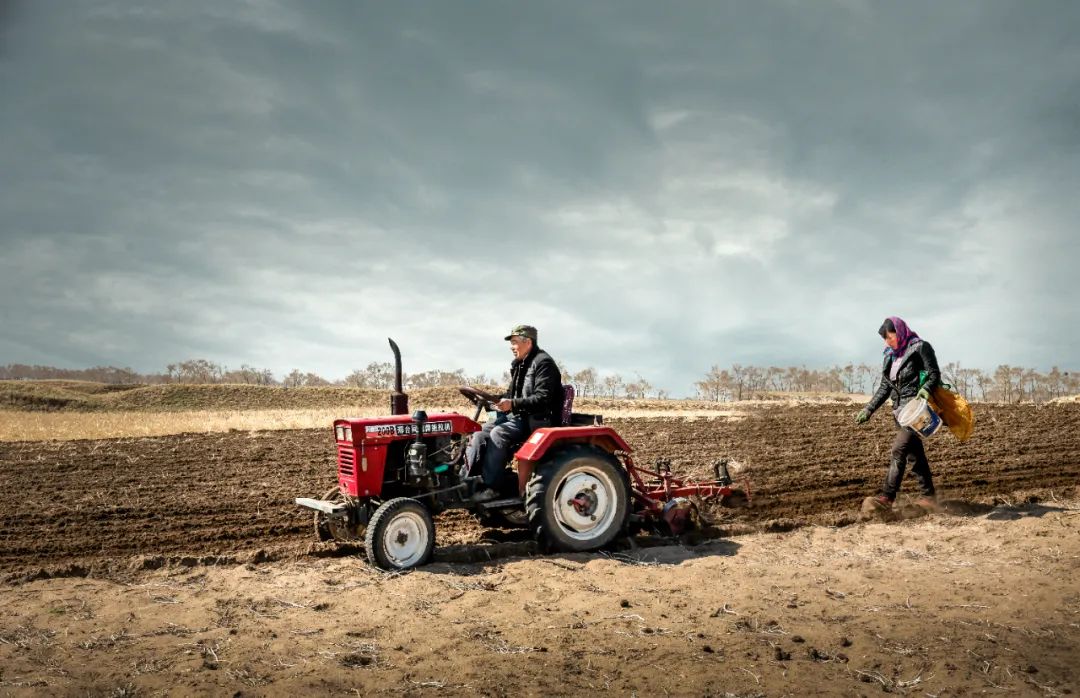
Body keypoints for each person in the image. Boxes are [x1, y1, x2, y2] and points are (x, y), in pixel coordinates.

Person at [466, 325, 563, 502]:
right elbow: (511, 394)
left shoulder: (543, 363)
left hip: (537, 419)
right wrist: (495, 401)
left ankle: (492, 487)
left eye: (514, 342)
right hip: (518, 416)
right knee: (479, 434)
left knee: (498, 433)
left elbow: (542, 398)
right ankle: (468, 482)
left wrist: (512, 404)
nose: (512, 347)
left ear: (528, 342)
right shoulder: (520, 364)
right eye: (511, 343)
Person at [855, 316, 942, 513]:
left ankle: (887, 497)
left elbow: (934, 374)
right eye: (885, 339)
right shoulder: (889, 355)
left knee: (898, 449)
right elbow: (885, 387)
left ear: (900, 331)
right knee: (915, 455)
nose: (888, 342)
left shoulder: (920, 347)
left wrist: (926, 389)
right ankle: (929, 497)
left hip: (915, 410)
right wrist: (868, 409)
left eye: (891, 337)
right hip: (899, 413)